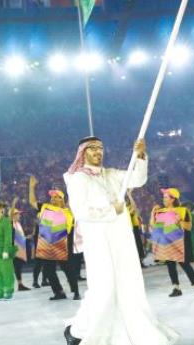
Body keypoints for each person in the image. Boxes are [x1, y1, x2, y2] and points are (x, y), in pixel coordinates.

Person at [63, 137, 178, 345]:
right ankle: (78, 329)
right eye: (93, 149)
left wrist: (141, 156)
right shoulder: (78, 179)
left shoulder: (112, 175)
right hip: (97, 242)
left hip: (120, 240)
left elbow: (137, 179)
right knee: (103, 290)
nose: (98, 152)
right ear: (83, 153)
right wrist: (110, 211)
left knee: (127, 285)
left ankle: (87, 328)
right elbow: (80, 211)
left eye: (101, 148)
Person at [28, 178, 79, 300]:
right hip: (47, 245)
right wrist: (31, 187)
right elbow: (32, 201)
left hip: (62, 245)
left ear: (62, 200)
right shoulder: (45, 207)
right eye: (52, 197)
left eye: (57, 197)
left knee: (68, 270)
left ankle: (76, 291)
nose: (53, 199)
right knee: (49, 272)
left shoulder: (68, 212)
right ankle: (59, 292)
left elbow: (70, 228)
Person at [150, 188, 194, 298]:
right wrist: (153, 212)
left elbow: (188, 227)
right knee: (170, 266)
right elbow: (154, 226)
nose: (163, 199)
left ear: (173, 199)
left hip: (179, 242)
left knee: (185, 265)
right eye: (163, 197)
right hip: (166, 243)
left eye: (166, 197)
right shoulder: (161, 211)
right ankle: (176, 288)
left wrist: (178, 220)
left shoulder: (182, 210)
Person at [10, 205, 30, 291]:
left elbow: (20, 236)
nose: (19, 216)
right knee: (16, 267)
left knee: (18, 267)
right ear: (13, 215)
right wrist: (14, 203)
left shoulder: (18, 224)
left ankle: (20, 284)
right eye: (18, 214)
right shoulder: (11, 224)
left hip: (20, 249)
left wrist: (26, 238)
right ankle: (19, 284)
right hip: (15, 250)